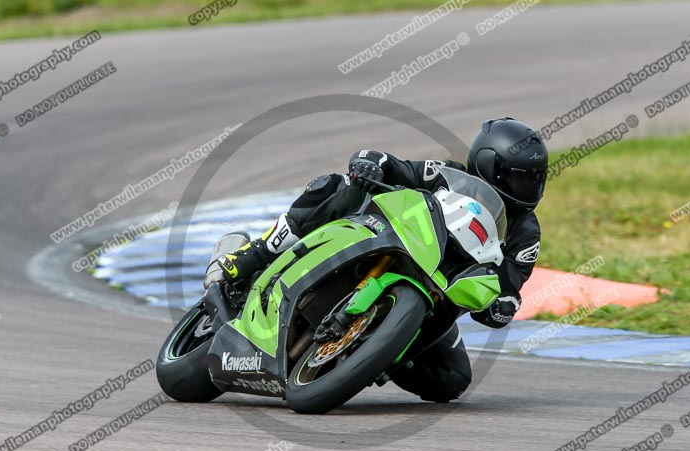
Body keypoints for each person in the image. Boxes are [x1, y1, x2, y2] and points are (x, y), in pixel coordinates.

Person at [208, 117, 547, 402]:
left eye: (535, 179)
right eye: (520, 178)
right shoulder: (446, 174)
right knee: (336, 187)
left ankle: (378, 349)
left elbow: (509, 284)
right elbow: (394, 165)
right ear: (490, 166)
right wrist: (370, 163)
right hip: (397, 247)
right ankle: (255, 254)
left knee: (452, 380)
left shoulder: (525, 233)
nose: (529, 188)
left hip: (440, 296)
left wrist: (503, 303)